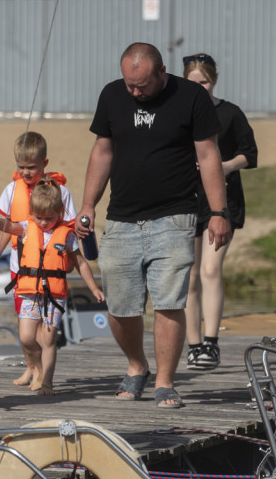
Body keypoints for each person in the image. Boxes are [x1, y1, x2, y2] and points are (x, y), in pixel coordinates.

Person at [79, 42, 231, 409]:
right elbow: (103, 150)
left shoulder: (191, 97)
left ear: (162, 71)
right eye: (130, 84)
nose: (135, 91)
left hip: (175, 216)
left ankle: (165, 381)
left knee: (168, 302)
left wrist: (218, 211)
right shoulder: (113, 95)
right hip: (121, 217)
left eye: (142, 85)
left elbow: (208, 154)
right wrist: (87, 204)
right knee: (120, 306)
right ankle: (137, 365)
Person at [0, 177, 104, 395]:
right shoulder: (27, 228)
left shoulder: (67, 235)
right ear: (32, 213)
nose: (44, 222)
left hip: (53, 296)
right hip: (29, 292)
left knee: (48, 339)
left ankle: (47, 381)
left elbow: (81, 263)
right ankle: (36, 367)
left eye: (49, 218)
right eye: (39, 217)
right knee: (26, 337)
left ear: (59, 212)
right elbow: (8, 226)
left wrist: (94, 288)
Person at [181, 53, 258, 370]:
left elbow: (250, 154)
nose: (200, 87)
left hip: (223, 201)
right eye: (193, 83)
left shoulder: (230, 113)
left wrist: (224, 166)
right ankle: (194, 344)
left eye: (205, 82)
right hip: (186, 200)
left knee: (211, 270)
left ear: (214, 80)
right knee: (190, 276)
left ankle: (211, 343)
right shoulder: (179, 115)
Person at [0, 131, 76, 315]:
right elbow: (8, 227)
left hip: (51, 268)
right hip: (20, 268)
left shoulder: (61, 192)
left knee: (47, 328)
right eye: (21, 166)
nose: (25, 172)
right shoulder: (12, 190)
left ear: (45, 163)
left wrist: (71, 260)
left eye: (31, 167)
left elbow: (69, 232)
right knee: (25, 325)